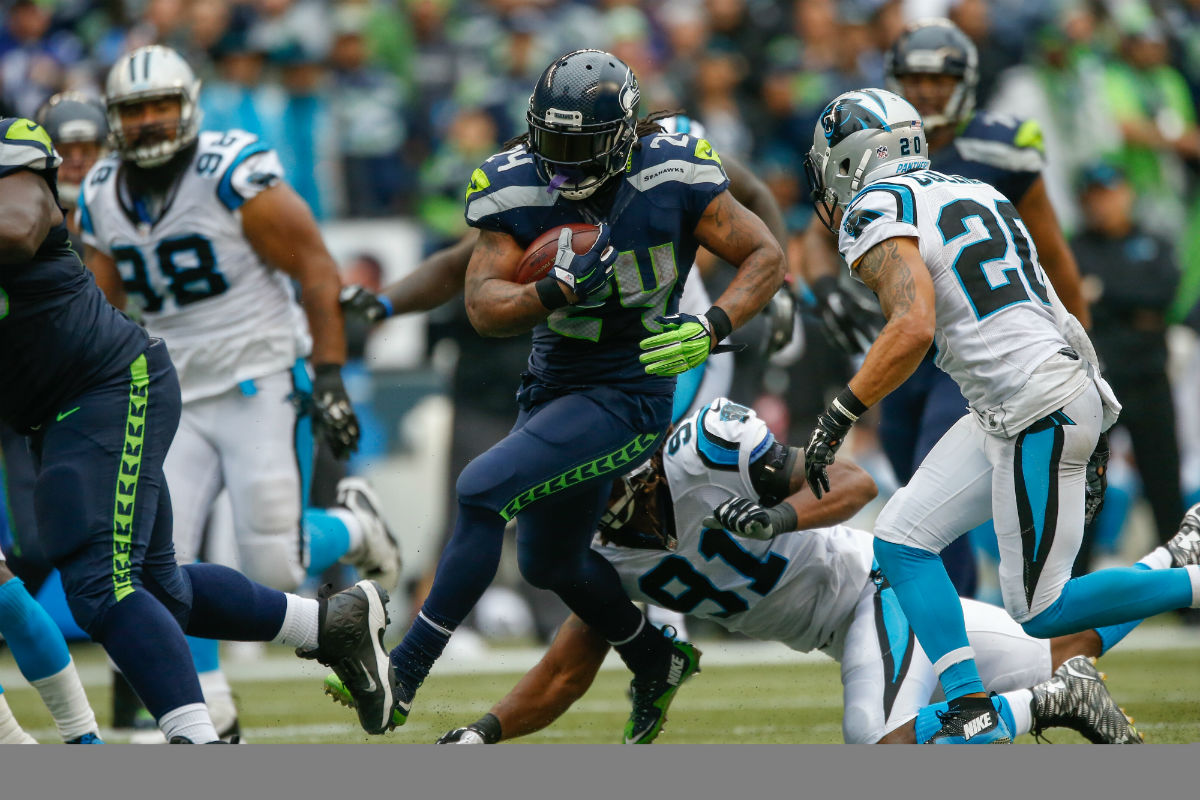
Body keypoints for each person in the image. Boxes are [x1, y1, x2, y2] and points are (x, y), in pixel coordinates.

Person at [329, 49, 785, 740]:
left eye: (581, 146)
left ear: (623, 137)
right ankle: (652, 654)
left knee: (482, 489)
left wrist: (714, 323)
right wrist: (549, 290)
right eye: (553, 140)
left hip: (632, 387)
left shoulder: (676, 168)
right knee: (550, 561)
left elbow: (764, 253)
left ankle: (405, 672)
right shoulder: (516, 183)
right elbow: (481, 302)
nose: (563, 161)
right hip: (553, 380)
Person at [326, 397, 1160, 744]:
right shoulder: (602, 557)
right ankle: (1177, 560)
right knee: (1054, 641)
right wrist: (481, 737)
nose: (598, 514)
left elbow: (861, 483)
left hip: (870, 588)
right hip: (841, 629)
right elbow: (561, 674)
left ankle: (1053, 703)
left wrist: (780, 513)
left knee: (881, 745)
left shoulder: (711, 450)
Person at [799, 87, 1200, 744]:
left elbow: (913, 327)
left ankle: (1184, 573)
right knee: (902, 539)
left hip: (1031, 406)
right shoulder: (977, 192)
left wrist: (839, 414)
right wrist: (1090, 402)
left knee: (1040, 611)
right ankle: (969, 702)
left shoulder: (876, 207)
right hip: (1030, 395)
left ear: (852, 160)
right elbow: (1046, 306)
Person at [0, 112, 394, 744]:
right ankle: (329, 626)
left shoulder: (12, 154)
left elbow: (17, 232)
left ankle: (198, 743)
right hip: (60, 407)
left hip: (109, 384)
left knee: (102, 583)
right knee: (163, 586)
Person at [799, 19, 1093, 597]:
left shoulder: (995, 151)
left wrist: (838, 414)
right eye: (913, 77)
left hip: (973, 350)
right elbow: (815, 238)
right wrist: (825, 287)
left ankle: (982, 629)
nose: (927, 89)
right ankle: (965, 647)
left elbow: (1053, 260)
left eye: (939, 77)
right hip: (918, 349)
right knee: (915, 501)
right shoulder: (898, 171)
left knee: (937, 514)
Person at [1070, 163, 1184, 570]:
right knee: (1085, 484)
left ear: (1127, 194)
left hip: (1151, 378)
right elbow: (1071, 303)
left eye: (1110, 193)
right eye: (1094, 196)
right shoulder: (1074, 248)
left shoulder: (1154, 241)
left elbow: (1164, 294)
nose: (1103, 204)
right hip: (1100, 382)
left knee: (1164, 484)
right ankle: (1071, 588)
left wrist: (1101, 295)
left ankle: (1183, 591)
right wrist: (1132, 309)